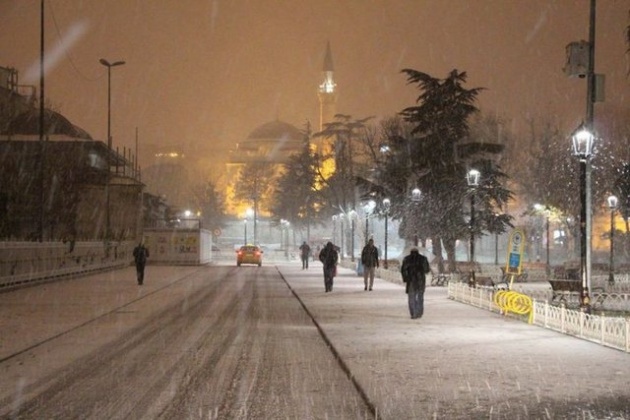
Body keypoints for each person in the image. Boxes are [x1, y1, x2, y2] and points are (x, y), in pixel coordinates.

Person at [401, 247, 431, 319]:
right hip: (420, 280)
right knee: (420, 297)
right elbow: (427, 270)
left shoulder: (407, 259)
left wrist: (406, 278)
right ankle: (419, 312)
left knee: (411, 297)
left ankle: (413, 312)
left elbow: (403, 270)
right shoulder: (423, 259)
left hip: (411, 280)